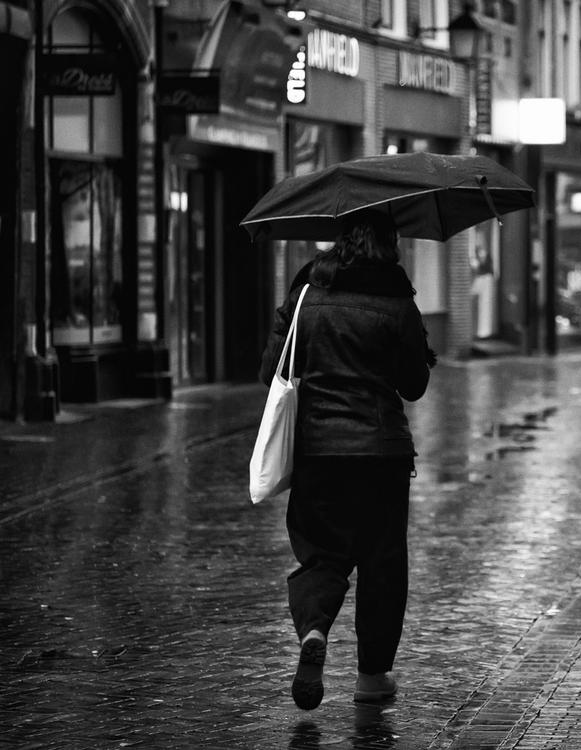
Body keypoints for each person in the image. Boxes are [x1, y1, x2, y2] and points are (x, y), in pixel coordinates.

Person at [259, 210, 434, 711]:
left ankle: (314, 630)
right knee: (382, 564)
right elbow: (413, 386)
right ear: (389, 242)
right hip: (381, 455)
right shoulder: (397, 298)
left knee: (321, 554)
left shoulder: (307, 293)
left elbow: (272, 369)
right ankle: (372, 678)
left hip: (319, 452)